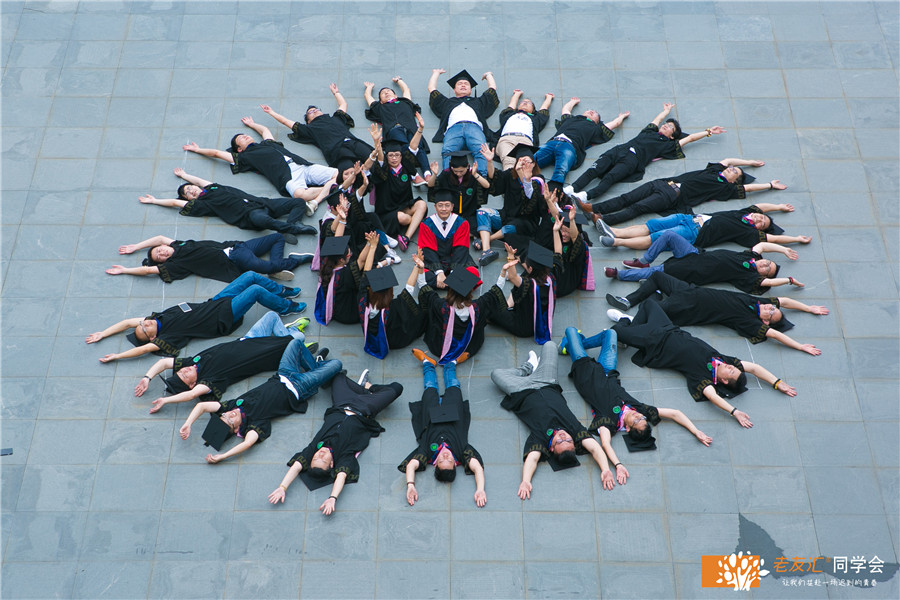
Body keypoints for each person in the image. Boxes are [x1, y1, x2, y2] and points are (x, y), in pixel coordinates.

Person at [610, 300, 797, 429]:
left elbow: (713, 397)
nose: (731, 367)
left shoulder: (703, 379)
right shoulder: (724, 360)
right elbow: (755, 368)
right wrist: (777, 383)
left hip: (654, 343)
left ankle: (626, 323)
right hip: (667, 328)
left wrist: (734, 412)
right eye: (735, 368)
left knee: (616, 331)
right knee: (649, 304)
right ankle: (633, 327)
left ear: (724, 381)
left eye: (731, 372)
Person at [560, 326, 712, 484]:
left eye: (636, 421)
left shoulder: (609, 422)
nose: (638, 416)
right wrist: (696, 431)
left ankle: (571, 345)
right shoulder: (641, 410)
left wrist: (618, 465)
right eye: (642, 419)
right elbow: (675, 413)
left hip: (585, 371)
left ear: (628, 428)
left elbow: (605, 444)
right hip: (608, 370)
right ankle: (573, 345)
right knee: (610, 333)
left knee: (571, 330)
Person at [179, 338, 341, 464]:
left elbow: (201, 406)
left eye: (225, 415)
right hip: (299, 387)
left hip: (283, 373)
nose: (230, 414)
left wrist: (188, 423)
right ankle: (318, 371)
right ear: (237, 429)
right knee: (336, 364)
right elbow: (247, 443)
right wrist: (223, 456)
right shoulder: (254, 424)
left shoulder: (231, 406)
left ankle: (317, 368)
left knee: (296, 343)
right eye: (231, 420)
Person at [85, 271, 306, 362]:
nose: (145, 323)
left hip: (216, 302)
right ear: (152, 337)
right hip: (223, 317)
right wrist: (117, 356)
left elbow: (127, 322)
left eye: (142, 323)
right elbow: (143, 350)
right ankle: (287, 307)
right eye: (145, 329)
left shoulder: (157, 318)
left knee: (249, 276)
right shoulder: (168, 336)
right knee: (255, 291)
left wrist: (103, 333)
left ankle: (280, 291)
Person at [490, 342, 617, 498]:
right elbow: (595, 449)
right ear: (574, 442)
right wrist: (605, 469)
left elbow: (533, 459)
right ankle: (535, 369)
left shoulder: (541, 439)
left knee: (496, 374)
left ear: (551, 448)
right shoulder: (575, 430)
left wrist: (526, 481)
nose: (563, 437)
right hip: (547, 381)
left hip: (520, 390)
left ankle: (528, 368)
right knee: (550, 345)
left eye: (559, 442)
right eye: (568, 441)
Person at [267, 371, 403, 515]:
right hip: (364, 408)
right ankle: (368, 388)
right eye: (323, 460)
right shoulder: (343, 456)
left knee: (338, 375)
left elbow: (297, 466)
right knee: (396, 388)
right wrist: (332, 498)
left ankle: (364, 391)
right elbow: (341, 476)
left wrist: (282, 487)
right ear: (332, 464)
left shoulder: (314, 447)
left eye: (315, 458)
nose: (320, 454)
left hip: (341, 404)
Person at [605, 271, 828, 355]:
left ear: (765, 321)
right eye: (773, 308)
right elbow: (784, 300)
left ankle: (628, 329)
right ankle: (628, 301)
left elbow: (774, 335)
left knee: (650, 308)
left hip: (686, 308)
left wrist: (800, 346)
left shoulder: (747, 320)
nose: (770, 308)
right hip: (689, 290)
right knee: (657, 277)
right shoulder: (758, 302)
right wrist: (809, 308)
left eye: (771, 314)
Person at [135, 310, 310, 413]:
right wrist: (166, 401)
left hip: (248, 339)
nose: (185, 370)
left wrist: (147, 378)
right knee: (298, 338)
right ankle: (292, 342)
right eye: (184, 376)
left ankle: (290, 340)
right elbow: (192, 395)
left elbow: (164, 363)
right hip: (262, 353)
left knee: (271, 316)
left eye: (181, 371)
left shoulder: (191, 362)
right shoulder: (209, 381)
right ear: (193, 384)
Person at [565, 103, 726, 204]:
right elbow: (657, 120)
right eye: (667, 124)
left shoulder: (668, 145)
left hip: (633, 160)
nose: (666, 126)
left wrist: (708, 132)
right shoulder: (649, 131)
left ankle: (586, 196)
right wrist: (666, 111)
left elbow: (689, 138)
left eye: (670, 127)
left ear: (672, 136)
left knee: (610, 178)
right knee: (594, 169)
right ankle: (573, 188)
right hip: (619, 150)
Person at [580, 159, 786, 228]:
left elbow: (747, 188)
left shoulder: (725, 188)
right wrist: (748, 162)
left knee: (638, 208)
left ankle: (604, 220)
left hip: (672, 196)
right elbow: (728, 160)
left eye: (735, 173)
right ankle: (592, 208)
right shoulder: (714, 170)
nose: (731, 169)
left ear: (734, 181)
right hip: (663, 183)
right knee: (627, 197)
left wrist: (769, 185)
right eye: (732, 168)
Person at [182, 116, 337, 201]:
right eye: (241, 138)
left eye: (244, 135)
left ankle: (333, 185)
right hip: (287, 177)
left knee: (338, 173)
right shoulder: (245, 157)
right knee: (300, 195)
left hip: (301, 166)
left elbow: (264, 130)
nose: (245, 136)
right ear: (239, 149)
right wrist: (198, 150)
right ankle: (333, 188)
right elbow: (217, 153)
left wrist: (252, 124)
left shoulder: (267, 143)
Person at [400, 355, 486, 507]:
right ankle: (451, 363)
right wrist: (480, 489)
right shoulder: (462, 453)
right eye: (450, 460)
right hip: (453, 411)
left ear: (435, 464)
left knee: (429, 387)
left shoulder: (427, 454)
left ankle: (427, 363)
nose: (446, 456)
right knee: (453, 386)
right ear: (456, 464)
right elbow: (477, 468)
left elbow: (411, 465)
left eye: (441, 461)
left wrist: (411, 485)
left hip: (431, 412)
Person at [604, 230, 804, 295]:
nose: (765, 265)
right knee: (669, 235)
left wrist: (788, 280)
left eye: (767, 270)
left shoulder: (749, 276)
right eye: (768, 263)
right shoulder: (750, 256)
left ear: (762, 275)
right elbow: (762, 245)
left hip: (692, 271)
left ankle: (619, 274)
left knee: (656, 272)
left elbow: (768, 283)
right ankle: (643, 261)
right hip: (694, 254)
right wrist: (784, 249)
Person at [137, 167, 316, 237]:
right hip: (250, 215)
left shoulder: (213, 187)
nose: (191, 190)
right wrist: (155, 201)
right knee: (263, 220)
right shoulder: (203, 203)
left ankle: (293, 225)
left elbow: (198, 181)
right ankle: (294, 229)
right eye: (188, 194)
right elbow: (176, 204)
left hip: (263, 203)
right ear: (189, 199)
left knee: (298, 202)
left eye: (190, 188)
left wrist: (184, 175)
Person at [106, 233, 311, 283]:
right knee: (263, 266)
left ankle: (277, 266)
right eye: (159, 257)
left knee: (277, 238)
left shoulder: (177, 244)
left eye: (159, 250)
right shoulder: (177, 264)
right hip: (234, 261)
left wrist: (136, 247)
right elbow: (149, 270)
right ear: (164, 262)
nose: (161, 252)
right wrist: (125, 270)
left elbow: (159, 237)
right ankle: (296, 260)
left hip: (236, 247)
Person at [598, 203, 811, 251]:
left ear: (759, 228)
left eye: (762, 223)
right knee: (652, 224)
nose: (759, 218)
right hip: (689, 218)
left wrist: (795, 239)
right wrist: (778, 206)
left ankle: (616, 242)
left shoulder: (747, 232)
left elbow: (772, 239)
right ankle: (614, 231)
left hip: (695, 232)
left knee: (659, 236)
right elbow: (761, 206)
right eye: (761, 217)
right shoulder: (743, 213)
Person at [260, 88, 374, 172]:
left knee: (374, 159)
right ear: (308, 121)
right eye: (310, 112)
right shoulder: (309, 128)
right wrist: (271, 112)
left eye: (316, 109)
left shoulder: (336, 118)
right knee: (348, 171)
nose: (314, 111)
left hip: (353, 142)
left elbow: (343, 104)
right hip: (337, 150)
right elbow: (286, 122)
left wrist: (336, 92)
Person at [417, 260, 505, 365]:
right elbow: (494, 292)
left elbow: (423, 287)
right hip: (468, 345)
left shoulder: (440, 306)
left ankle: (440, 360)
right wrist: (504, 271)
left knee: (432, 322)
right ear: (470, 291)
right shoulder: (477, 307)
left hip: (441, 346)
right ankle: (460, 357)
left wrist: (421, 269)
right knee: (477, 334)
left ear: (450, 290)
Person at [533, 97, 628, 193]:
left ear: (597, 121)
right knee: (530, 160)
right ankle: (524, 182)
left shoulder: (596, 129)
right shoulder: (570, 119)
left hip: (569, 147)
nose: (592, 111)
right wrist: (573, 101)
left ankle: (552, 194)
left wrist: (621, 117)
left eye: (595, 113)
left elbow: (614, 124)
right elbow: (566, 110)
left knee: (561, 170)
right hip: (553, 143)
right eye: (589, 110)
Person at [475, 143, 547, 265]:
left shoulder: (538, 180)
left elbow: (530, 196)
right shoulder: (510, 175)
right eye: (521, 161)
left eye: (527, 161)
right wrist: (489, 162)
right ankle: (487, 251)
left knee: (510, 227)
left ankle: (487, 239)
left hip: (526, 222)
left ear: (534, 164)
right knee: (482, 212)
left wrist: (522, 174)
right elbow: (495, 178)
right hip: (507, 216)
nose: (524, 164)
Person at [358, 244, 426, 359]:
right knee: (421, 314)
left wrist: (372, 247)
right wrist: (417, 265)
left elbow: (366, 273)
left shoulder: (363, 301)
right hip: (395, 342)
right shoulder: (394, 307)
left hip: (374, 336)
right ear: (390, 292)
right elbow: (409, 288)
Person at [427, 68, 500, 175]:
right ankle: (449, 178)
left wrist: (488, 75)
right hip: (454, 129)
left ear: (470, 90)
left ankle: (481, 179)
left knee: (482, 152)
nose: (463, 85)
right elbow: (431, 89)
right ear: (454, 90)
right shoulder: (448, 102)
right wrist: (436, 73)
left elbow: (492, 90)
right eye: (459, 84)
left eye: (466, 84)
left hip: (474, 128)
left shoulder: (477, 102)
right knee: (447, 152)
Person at [491, 239, 561, 345]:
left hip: (523, 326)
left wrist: (510, 256)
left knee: (491, 309)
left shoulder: (529, 285)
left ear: (531, 268)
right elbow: (558, 253)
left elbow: (513, 277)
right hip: (539, 322)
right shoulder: (551, 278)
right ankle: (508, 305)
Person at [369, 126, 429, 250]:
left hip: (404, 206)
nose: (394, 158)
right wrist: (377, 143)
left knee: (422, 204)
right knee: (404, 218)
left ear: (401, 156)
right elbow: (380, 159)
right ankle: (416, 220)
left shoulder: (405, 165)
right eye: (391, 155)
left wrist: (420, 129)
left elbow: (413, 148)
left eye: (397, 155)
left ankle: (406, 238)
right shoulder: (383, 170)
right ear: (387, 156)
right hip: (387, 212)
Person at [364, 76, 432, 178]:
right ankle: (414, 175)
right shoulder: (380, 107)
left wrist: (399, 81)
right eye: (383, 93)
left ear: (395, 95)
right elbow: (368, 97)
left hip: (411, 128)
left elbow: (406, 90)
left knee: (419, 147)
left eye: (388, 91)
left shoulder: (405, 102)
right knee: (404, 147)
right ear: (381, 101)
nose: (386, 93)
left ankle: (427, 173)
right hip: (394, 129)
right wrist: (369, 87)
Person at [418, 187, 477, 288]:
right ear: (435, 207)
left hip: (456, 259)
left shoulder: (461, 223)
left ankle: (443, 284)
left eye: (447, 205)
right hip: (435, 261)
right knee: (421, 273)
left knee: (473, 272)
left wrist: (455, 272)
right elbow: (428, 250)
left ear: (452, 206)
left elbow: (461, 248)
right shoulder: (426, 224)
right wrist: (439, 272)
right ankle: (455, 286)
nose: (444, 209)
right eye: (440, 205)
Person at [425, 149, 493, 234]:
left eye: (461, 171)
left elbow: (487, 185)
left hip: (470, 212)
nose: (458, 174)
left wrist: (475, 175)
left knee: (475, 228)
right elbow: (431, 185)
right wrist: (434, 175)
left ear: (467, 166)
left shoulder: (473, 173)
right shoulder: (446, 174)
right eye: (455, 171)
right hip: (452, 213)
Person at [315, 235, 367, 326]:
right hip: (349, 315)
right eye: (349, 254)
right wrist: (371, 244)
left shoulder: (326, 266)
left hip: (337, 312)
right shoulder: (345, 274)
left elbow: (337, 239)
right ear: (341, 260)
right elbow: (361, 261)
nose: (350, 255)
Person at [495, 89, 553, 170]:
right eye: (522, 102)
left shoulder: (535, 118)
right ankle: (509, 177)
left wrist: (549, 98)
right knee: (508, 162)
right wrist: (517, 94)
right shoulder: (510, 114)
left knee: (525, 165)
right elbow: (511, 106)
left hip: (525, 140)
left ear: (533, 110)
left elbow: (544, 109)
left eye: (529, 103)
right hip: (507, 139)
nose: (525, 103)